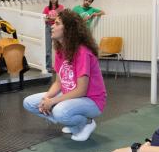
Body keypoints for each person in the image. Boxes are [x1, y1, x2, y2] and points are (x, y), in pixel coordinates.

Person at [22, 10, 106, 141]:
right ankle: (73, 122)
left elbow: (81, 91)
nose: (52, 26)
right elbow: (58, 83)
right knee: (30, 103)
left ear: (68, 29)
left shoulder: (82, 53)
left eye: (57, 23)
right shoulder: (60, 51)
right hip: (71, 96)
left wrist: (52, 102)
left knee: (59, 111)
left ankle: (87, 122)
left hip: (92, 100)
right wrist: (46, 99)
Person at [43, 0, 64, 71]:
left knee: (59, 48)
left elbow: (61, 18)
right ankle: (48, 68)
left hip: (57, 26)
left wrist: (50, 18)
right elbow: (44, 19)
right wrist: (55, 18)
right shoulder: (47, 8)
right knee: (48, 49)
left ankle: (59, 67)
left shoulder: (60, 7)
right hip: (48, 27)